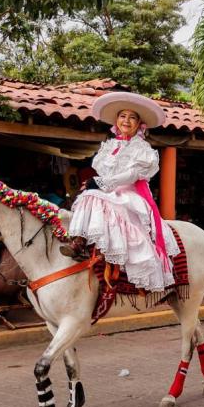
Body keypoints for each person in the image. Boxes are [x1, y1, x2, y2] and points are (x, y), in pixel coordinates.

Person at [60, 92, 179, 292]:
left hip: (130, 193)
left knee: (95, 198)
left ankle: (118, 262)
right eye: (123, 116)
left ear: (139, 124)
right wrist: (95, 183)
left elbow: (132, 175)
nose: (126, 121)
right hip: (108, 190)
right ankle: (81, 242)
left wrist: (100, 183)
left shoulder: (143, 148)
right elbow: (103, 172)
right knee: (87, 196)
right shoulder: (110, 145)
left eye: (132, 118)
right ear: (116, 120)